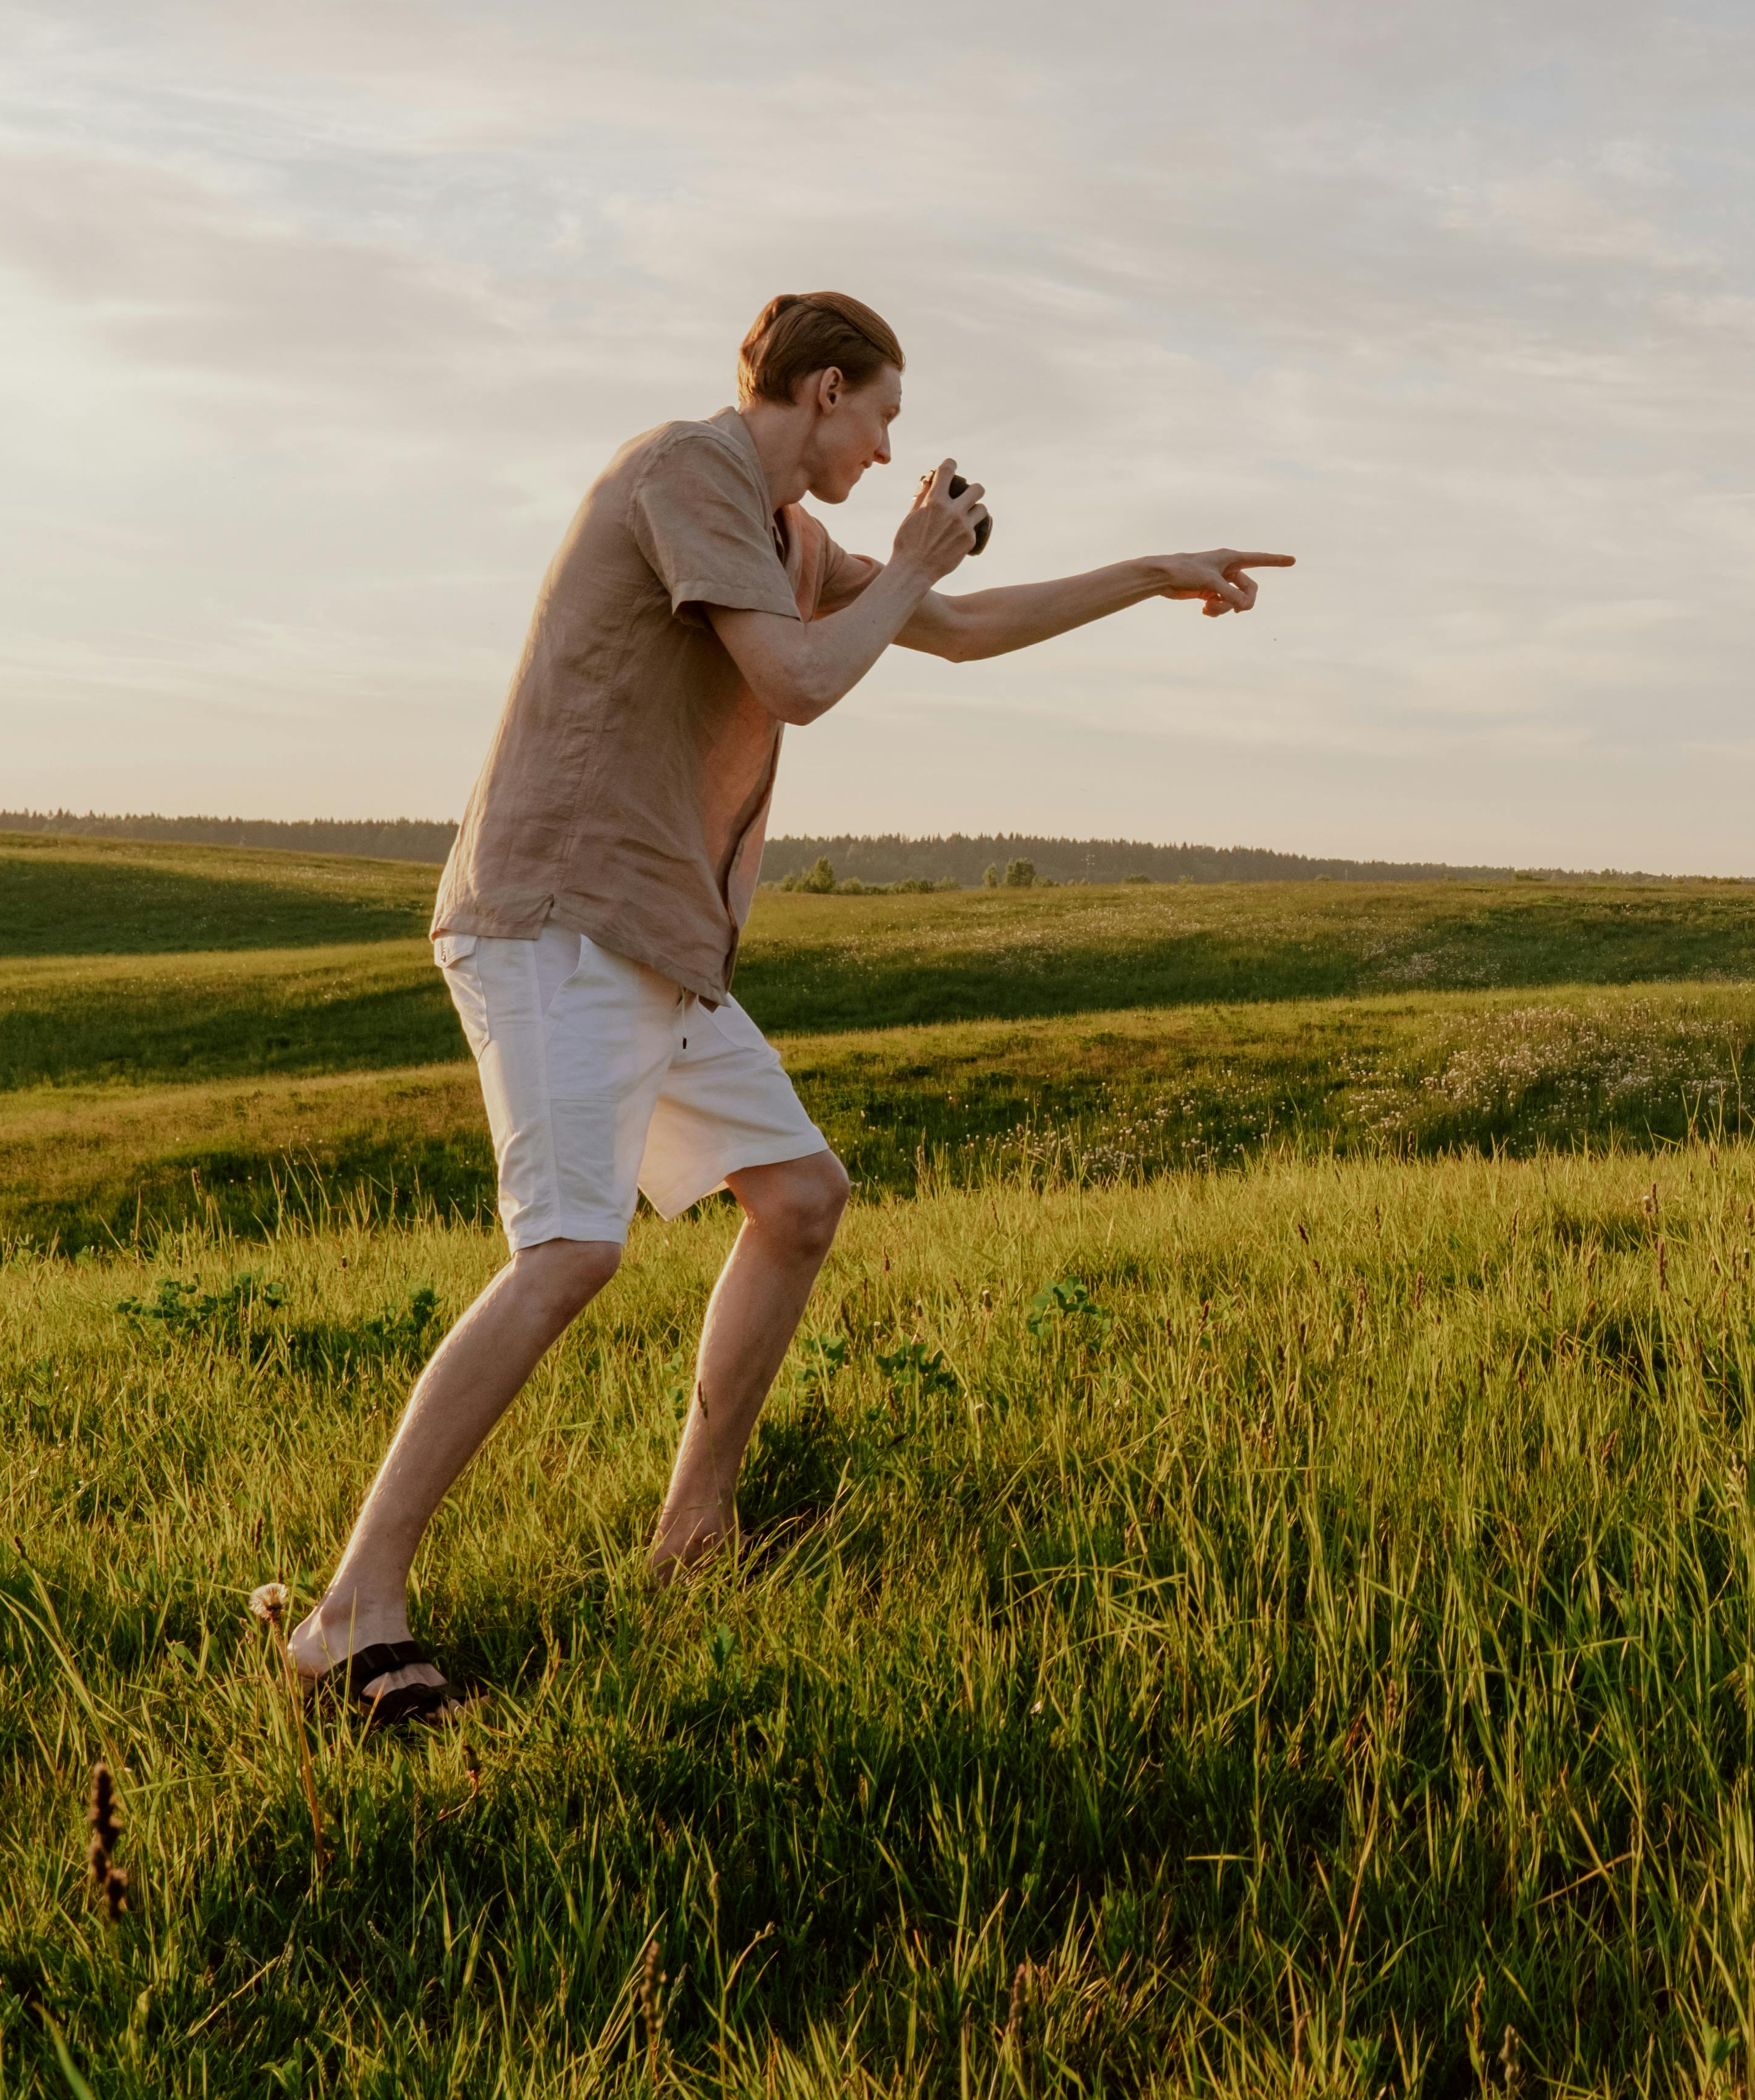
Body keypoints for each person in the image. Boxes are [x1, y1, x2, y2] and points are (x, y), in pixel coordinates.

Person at [282, 292, 1293, 1721]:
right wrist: (917, 560)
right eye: (880, 416)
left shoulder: (784, 534)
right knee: (568, 1253)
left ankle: (692, 1533)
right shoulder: (685, 472)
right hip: (559, 914)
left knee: (802, 1198)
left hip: (659, 936)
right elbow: (806, 680)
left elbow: (945, 626)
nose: (887, 450)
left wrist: (1142, 571)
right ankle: (349, 1611)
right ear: (824, 392)